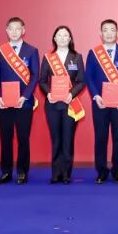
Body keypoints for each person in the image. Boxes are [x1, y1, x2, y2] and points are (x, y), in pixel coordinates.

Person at [85, 19, 118, 184]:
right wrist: (95, 96)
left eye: (112, 30)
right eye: (105, 30)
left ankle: (117, 171)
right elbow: (88, 77)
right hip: (100, 103)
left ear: (117, 33)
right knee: (101, 137)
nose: (109, 33)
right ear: (100, 34)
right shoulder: (94, 53)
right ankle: (101, 171)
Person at [0, 17, 40, 184]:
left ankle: (22, 171)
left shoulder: (32, 51)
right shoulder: (0, 51)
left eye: (17, 28)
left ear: (23, 30)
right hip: (4, 102)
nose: (14, 32)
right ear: (6, 30)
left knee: (23, 137)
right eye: (11, 29)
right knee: (5, 138)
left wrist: (25, 96)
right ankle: (5, 172)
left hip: (24, 102)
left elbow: (35, 75)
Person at [38, 25, 86, 184]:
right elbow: (42, 81)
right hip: (52, 104)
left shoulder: (77, 57)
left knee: (67, 139)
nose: (62, 38)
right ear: (54, 38)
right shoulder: (48, 57)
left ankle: (66, 173)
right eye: (59, 35)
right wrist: (48, 93)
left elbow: (81, 81)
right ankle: (55, 173)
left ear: (70, 39)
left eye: (66, 35)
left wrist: (71, 94)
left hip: (70, 104)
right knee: (56, 139)